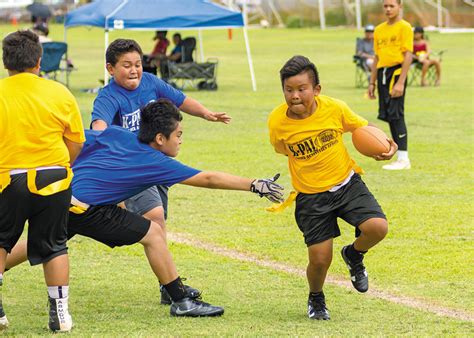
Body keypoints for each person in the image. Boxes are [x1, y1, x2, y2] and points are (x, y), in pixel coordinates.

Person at [5, 99, 284, 318]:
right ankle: (181, 300)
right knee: (152, 232)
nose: (181, 140)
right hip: (85, 208)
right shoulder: (157, 161)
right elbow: (208, 178)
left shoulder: (115, 133)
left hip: (61, 197)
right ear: (160, 138)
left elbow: (74, 142)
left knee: (39, 244)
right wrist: (254, 184)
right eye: (178, 134)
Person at [91, 38, 231, 304]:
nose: (133, 70)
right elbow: (99, 125)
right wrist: (102, 140)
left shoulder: (150, 83)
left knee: (158, 222)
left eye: (137, 64)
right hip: (132, 170)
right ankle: (170, 287)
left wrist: (206, 114)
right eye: (126, 66)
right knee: (156, 220)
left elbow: (180, 99)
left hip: (156, 164)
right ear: (110, 69)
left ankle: (168, 285)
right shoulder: (108, 96)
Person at [268, 55, 397, 320]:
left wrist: (385, 143)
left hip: (347, 184)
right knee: (319, 259)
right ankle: (316, 297)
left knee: (377, 228)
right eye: (288, 90)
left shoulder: (334, 108)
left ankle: (353, 254)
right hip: (311, 197)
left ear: (316, 89)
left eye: (301, 89)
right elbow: (282, 150)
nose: (294, 96)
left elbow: (363, 127)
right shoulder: (277, 123)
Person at [0, 30, 85, 332]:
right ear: (39, 61)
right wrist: (62, 166)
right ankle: (60, 315)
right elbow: (75, 141)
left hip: (10, 178)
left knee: (1, 241)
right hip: (56, 176)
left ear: (5, 61)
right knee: (55, 245)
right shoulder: (60, 92)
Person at [368, 0, 413, 170]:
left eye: (391, 6)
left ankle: (404, 158)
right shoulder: (379, 29)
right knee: (388, 115)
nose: (388, 9)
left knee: (396, 114)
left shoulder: (405, 27)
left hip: (396, 73)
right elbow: (377, 57)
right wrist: (372, 82)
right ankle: (398, 155)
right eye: (385, 6)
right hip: (382, 74)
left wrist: (401, 82)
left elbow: (408, 55)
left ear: (399, 7)